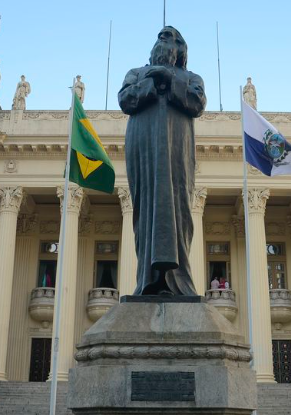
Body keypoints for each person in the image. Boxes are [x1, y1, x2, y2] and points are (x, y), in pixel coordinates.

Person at [118, 26, 206, 295]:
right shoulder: (136, 73)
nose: (165, 42)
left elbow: (197, 103)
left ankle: (178, 281)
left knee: (178, 209)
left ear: (181, 50)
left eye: (173, 39)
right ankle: (148, 280)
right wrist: (153, 82)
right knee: (145, 211)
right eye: (162, 38)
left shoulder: (191, 77)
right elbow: (125, 100)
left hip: (177, 149)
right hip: (143, 148)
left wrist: (171, 79)